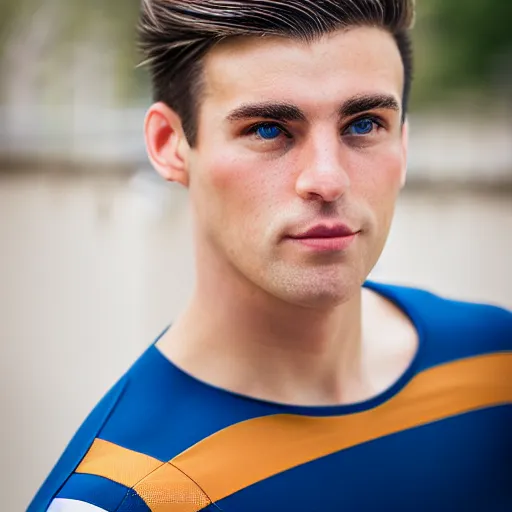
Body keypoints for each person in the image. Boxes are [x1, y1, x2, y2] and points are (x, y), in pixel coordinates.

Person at [29, 1, 511, 511]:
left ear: (404, 145)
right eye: (267, 129)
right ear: (170, 144)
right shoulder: (122, 496)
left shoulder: (494, 364)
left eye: (365, 124)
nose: (327, 179)